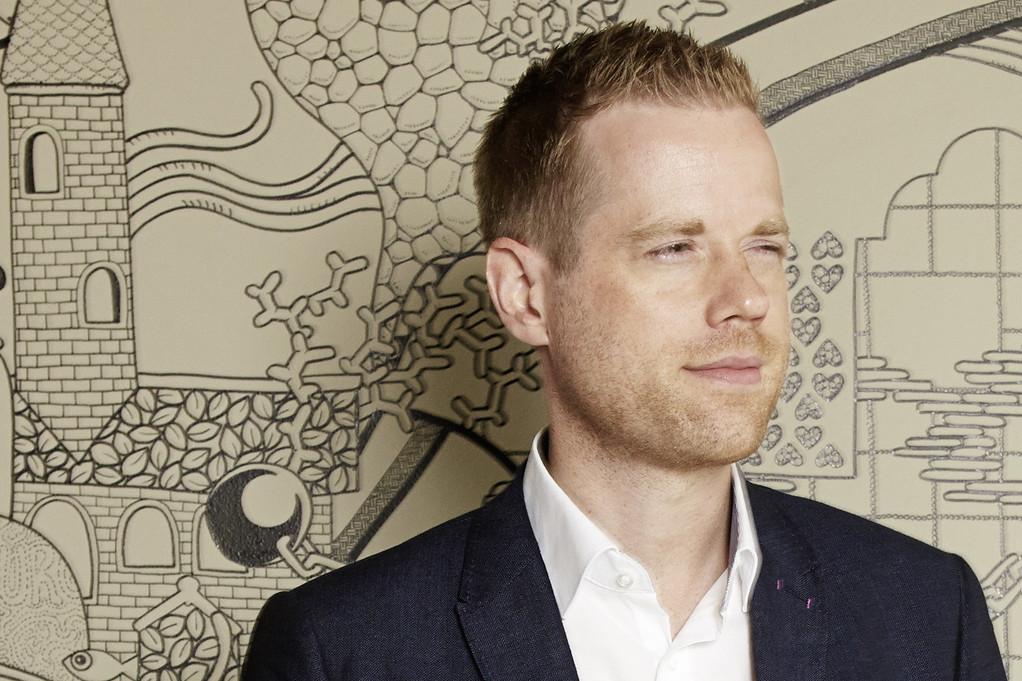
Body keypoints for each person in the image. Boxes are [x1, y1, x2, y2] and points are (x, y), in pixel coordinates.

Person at [242, 22, 1005, 680]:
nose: (747, 297)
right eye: (674, 248)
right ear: (525, 294)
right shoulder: (341, 650)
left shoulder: (929, 617)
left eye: (764, 246)